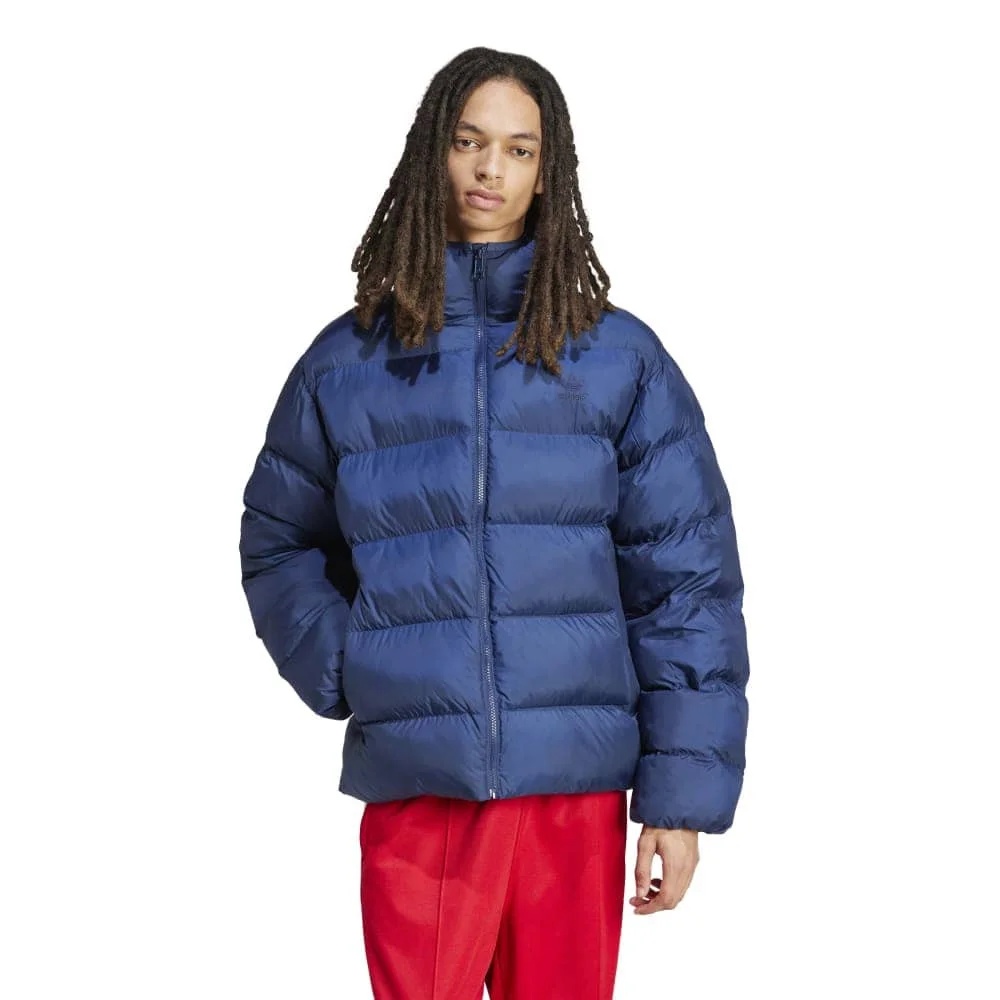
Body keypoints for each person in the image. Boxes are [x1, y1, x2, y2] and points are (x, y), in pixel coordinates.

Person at [239, 45, 750, 1000]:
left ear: (548, 172)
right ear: (433, 149)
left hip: (573, 793)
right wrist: (355, 670)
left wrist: (679, 802)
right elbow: (279, 539)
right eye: (470, 142)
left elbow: (687, 586)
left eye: (519, 149)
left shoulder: (618, 359)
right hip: (420, 789)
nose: (490, 169)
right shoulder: (349, 361)